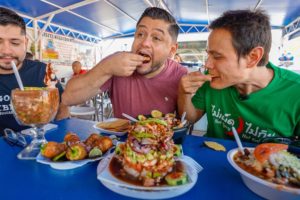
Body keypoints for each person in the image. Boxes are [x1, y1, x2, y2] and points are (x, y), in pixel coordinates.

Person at [178, 9, 300, 143]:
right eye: (208, 55)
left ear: (253, 57)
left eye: (217, 56)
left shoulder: (295, 92)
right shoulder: (212, 79)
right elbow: (190, 119)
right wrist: (184, 93)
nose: (207, 64)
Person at [63, 7, 188, 118]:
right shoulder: (116, 63)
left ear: (172, 50)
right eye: (140, 34)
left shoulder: (180, 74)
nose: (144, 43)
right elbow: (68, 97)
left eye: (156, 38)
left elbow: (187, 120)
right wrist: (107, 67)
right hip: (122, 143)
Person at [0, 7, 69, 135]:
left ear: (25, 43)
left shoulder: (42, 71)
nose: (6, 51)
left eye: (15, 43)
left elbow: (62, 104)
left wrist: (59, 136)